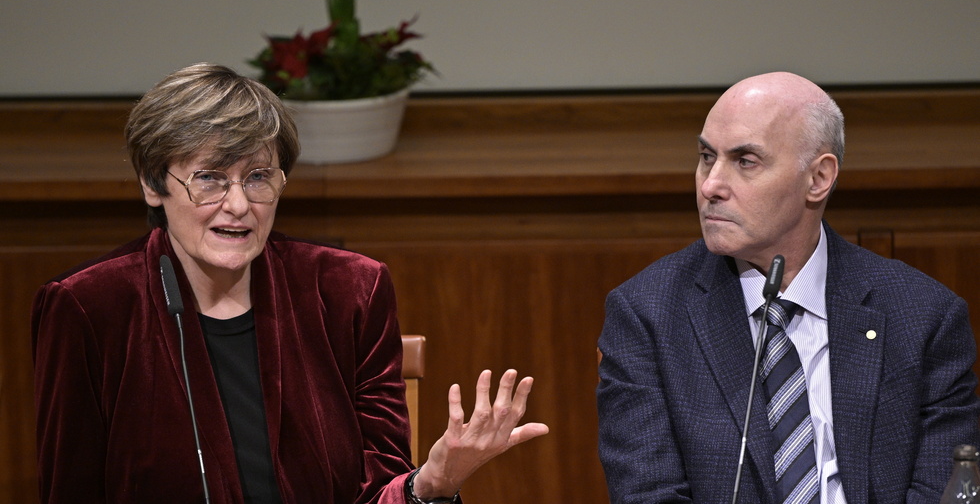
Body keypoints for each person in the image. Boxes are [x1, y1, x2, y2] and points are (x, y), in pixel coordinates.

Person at [32, 63, 548, 504]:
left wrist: (431, 483)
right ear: (153, 183)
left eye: (258, 177)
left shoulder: (347, 290)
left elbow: (379, 491)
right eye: (210, 177)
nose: (238, 204)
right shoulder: (86, 307)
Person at [596, 71, 980, 503]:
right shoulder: (647, 315)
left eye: (745, 161)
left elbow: (946, 490)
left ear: (818, 178)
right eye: (707, 157)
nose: (710, 186)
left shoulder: (922, 315)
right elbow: (648, 495)